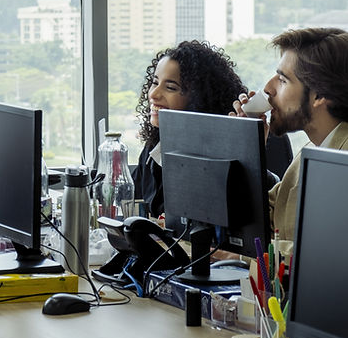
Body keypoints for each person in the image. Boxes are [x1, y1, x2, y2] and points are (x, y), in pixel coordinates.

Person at [233, 27, 348, 242]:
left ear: (319, 95)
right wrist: (248, 145)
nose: (268, 88)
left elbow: (320, 254)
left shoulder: (342, 164)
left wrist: (239, 258)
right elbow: (264, 221)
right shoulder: (310, 151)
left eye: (282, 80)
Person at [132, 40, 250, 217]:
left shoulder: (216, 160)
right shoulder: (153, 150)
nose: (153, 94)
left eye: (170, 87)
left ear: (199, 99)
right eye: (155, 83)